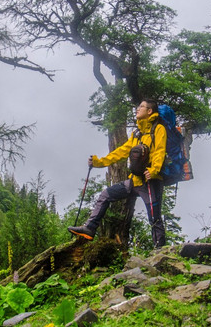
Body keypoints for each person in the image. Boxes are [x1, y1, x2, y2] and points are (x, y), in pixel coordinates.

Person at [68, 99, 167, 248]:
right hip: (134, 181)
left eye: (141, 106)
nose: (137, 109)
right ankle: (89, 228)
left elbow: (160, 151)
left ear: (150, 111)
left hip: (150, 181)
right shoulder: (137, 133)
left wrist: (154, 171)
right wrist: (98, 162)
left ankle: (160, 251)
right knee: (106, 195)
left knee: (154, 218)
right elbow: (120, 152)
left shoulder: (159, 129)